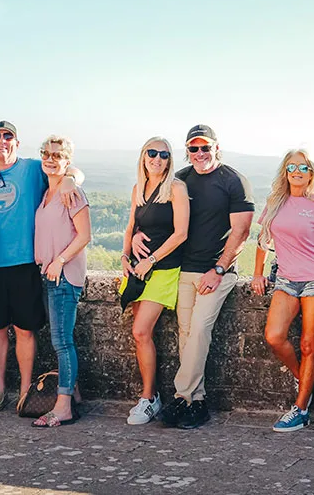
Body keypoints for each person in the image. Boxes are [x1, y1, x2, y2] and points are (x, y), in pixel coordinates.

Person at [145, 125, 254, 429]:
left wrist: (219, 269)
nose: (200, 154)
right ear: (187, 152)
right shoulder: (180, 180)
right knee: (185, 333)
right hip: (184, 269)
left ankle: (180, 396)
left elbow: (242, 231)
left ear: (216, 148)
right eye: (194, 149)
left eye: (205, 147)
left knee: (200, 330)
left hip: (218, 271)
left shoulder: (233, 181)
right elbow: (155, 215)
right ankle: (197, 403)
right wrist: (139, 235)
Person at [0, 120, 82, 413]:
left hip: (24, 264)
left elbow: (66, 168)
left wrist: (71, 178)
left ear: (16, 143)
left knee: (24, 330)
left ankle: (25, 390)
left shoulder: (33, 168)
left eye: (8, 136)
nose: (2, 141)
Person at [251, 149, 314, 432]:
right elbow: (263, 239)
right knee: (274, 337)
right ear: (285, 172)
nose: (297, 171)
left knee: (309, 344)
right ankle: (305, 382)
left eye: (303, 167)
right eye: (291, 166)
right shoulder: (275, 202)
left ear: (311, 173)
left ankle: (300, 409)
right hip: (285, 278)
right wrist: (258, 273)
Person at [119, 137, 189, 425]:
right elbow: (131, 228)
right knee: (142, 335)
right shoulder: (140, 188)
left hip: (163, 269)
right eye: (152, 153)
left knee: (140, 330)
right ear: (143, 156)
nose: (157, 159)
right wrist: (125, 256)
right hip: (138, 270)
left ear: (170, 160)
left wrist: (152, 260)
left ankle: (149, 398)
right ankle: (151, 395)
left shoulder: (176, 188)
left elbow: (181, 233)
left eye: (163, 154)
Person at [31, 136, 91, 427]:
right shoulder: (47, 193)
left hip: (64, 276)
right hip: (48, 275)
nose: (50, 159)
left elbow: (84, 236)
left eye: (57, 155)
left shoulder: (72, 192)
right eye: (46, 154)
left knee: (62, 343)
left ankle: (64, 406)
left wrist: (60, 261)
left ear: (68, 161)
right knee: (59, 340)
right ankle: (72, 395)